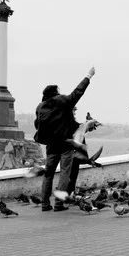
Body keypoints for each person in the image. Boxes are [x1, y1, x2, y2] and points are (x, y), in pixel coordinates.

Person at [34, 67, 95, 211]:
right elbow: (77, 92)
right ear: (55, 92)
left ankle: (45, 204)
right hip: (65, 145)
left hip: (50, 146)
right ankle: (59, 204)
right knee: (64, 174)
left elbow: (37, 125)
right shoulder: (62, 101)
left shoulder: (40, 107)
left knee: (48, 175)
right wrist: (88, 76)